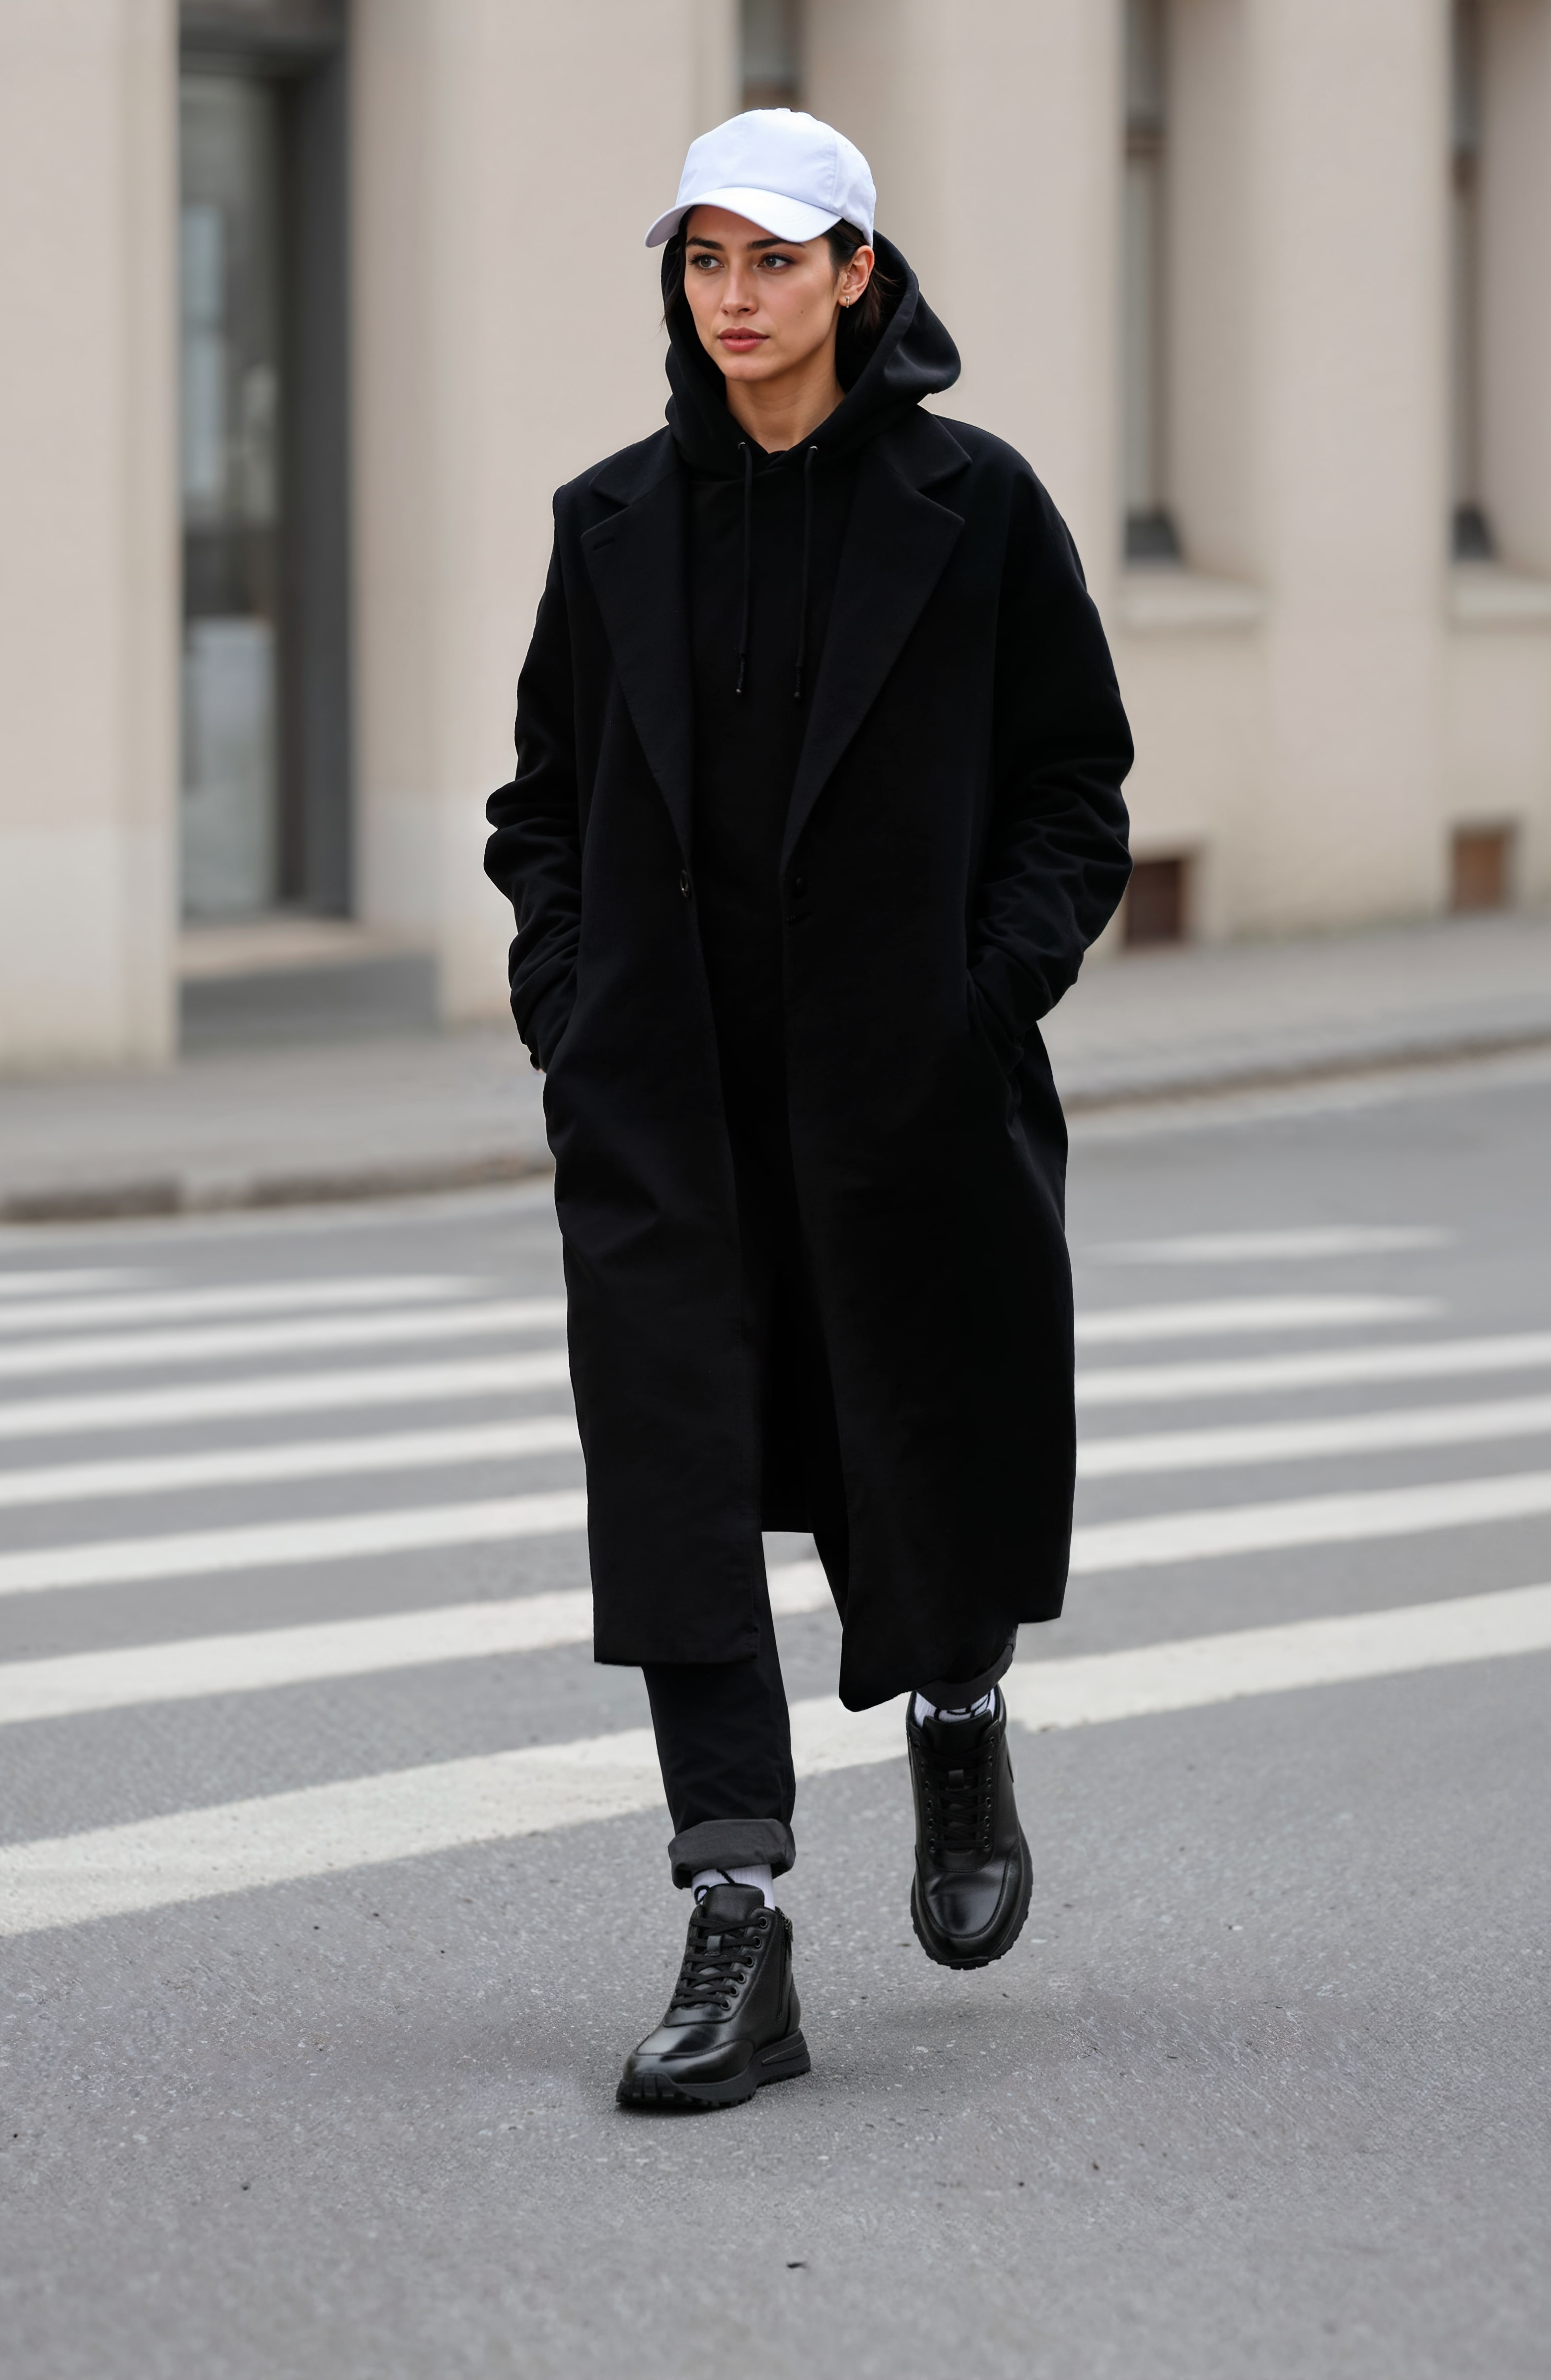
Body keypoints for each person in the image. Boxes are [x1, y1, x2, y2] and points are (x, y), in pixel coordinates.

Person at [486, 108, 1133, 2110]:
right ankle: (736, 1916)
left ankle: (956, 1706)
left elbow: (1072, 792)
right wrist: (570, 1009)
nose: (735, 297)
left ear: (860, 273)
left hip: (901, 1103)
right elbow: (543, 807)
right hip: (664, 1108)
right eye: (705, 261)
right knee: (676, 1485)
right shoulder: (610, 524)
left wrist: (977, 1006)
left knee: (910, 1456)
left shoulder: (976, 508)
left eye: (774, 259)